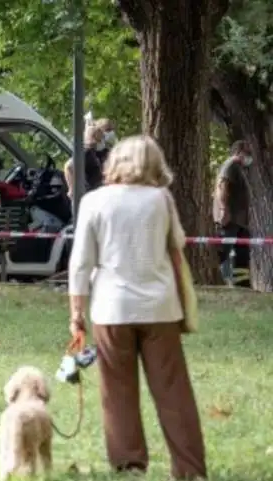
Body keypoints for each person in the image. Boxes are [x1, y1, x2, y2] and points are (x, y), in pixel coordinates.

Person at [67, 135, 207, 480]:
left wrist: (76, 313)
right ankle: (190, 469)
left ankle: (129, 465)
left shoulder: (94, 201)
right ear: (154, 164)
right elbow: (178, 243)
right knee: (173, 391)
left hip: (111, 309)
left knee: (117, 391)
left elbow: (81, 263)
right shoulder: (161, 199)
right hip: (160, 308)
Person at [213, 140, 252, 284]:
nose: (249, 156)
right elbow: (221, 186)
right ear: (238, 152)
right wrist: (223, 209)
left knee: (242, 254)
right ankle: (213, 280)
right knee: (222, 251)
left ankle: (243, 285)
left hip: (241, 222)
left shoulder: (239, 168)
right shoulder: (231, 165)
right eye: (247, 153)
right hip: (230, 220)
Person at [63, 124, 106, 198]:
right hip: (90, 194)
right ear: (94, 138)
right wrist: (72, 189)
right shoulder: (86, 152)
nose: (102, 141)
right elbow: (68, 166)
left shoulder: (92, 152)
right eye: (101, 139)